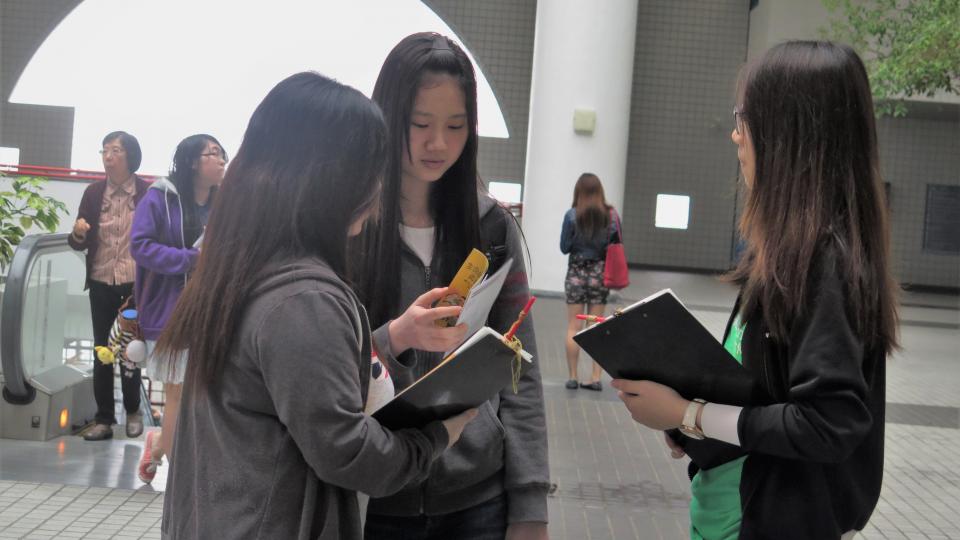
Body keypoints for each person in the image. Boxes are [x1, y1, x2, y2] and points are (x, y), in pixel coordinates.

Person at [155, 72, 477, 539]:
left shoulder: (241, 265)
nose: (379, 187)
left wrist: (392, 338)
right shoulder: (304, 300)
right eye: (372, 168)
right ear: (335, 179)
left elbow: (288, 380)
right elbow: (348, 453)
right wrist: (438, 437)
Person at [610, 41, 898, 539]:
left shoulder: (823, 261)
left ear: (790, 135)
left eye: (745, 118)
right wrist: (694, 424)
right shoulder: (786, 252)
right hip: (730, 513)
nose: (735, 135)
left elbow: (828, 422)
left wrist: (690, 413)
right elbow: (766, 396)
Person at [350, 32, 549, 540]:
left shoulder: (491, 227)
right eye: (420, 125)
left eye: (456, 126)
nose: (439, 144)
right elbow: (324, 364)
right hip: (373, 498)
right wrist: (393, 336)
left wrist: (529, 506)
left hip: (476, 499)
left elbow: (519, 368)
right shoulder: (349, 226)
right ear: (388, 118)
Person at [129, 133, 227, 483]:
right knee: (177, 389)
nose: (219, 160)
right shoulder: (160, 197)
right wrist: (190, 260)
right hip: (168, 309)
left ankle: (159, 445)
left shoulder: (223, 202)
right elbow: (140, 246)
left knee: (195, 390)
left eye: (221, 154)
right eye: (211, 154)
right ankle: (182, 476)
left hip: (211, 309)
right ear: (191, 162)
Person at [68, 131, 148, 441]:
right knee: (101, 350)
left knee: (130, 350)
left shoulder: (147, 193)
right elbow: (78, 241)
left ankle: (132, 411)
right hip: (101, 281)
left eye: (115, 150)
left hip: (133, 284)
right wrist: (78, 233)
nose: (108, 156)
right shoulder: (92, 193)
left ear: (130, 157)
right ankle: (104, 419)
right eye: (104, 151)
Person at [560, 172, 620, 391]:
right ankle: (595, 378)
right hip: (599, 276)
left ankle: (573, 377)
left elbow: (564, 247)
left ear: (579, 192)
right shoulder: (611, 216)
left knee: (573, 327)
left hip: (575, 275)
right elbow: (616, 246)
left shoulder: (571, 215)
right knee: (596, 327)